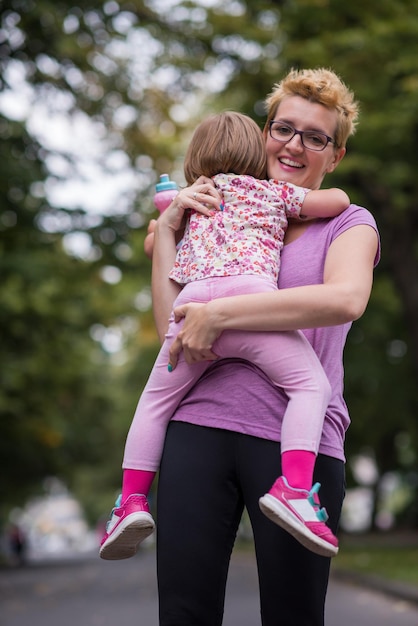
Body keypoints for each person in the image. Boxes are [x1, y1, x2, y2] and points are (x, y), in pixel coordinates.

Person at [150, 67, 380, 626]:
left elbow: (345, 299)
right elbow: (172, 333)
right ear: (263, 134)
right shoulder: (214, 213)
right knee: (183, 614)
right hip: (198, 426)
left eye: (315, 136)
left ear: (336, 156)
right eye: (283, 127)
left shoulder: (348, 222)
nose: (295, 144)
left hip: (299, 442)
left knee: (294, 616)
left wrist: (221, 313)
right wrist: (169, 232)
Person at [99, 110, 351, 561]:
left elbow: (155, 242)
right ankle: (294, 488)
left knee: (154, 403)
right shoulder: (271, 193)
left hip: (192, 311)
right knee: (309, 386)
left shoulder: (192, 205)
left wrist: (172, 211)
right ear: (258, 152)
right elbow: (334, 202)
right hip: (248, 307)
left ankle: (130, 501)